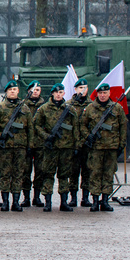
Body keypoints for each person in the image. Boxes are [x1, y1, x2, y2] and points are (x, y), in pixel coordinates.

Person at [79, 83, 127, 212]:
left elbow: (123, 127)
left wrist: (121, 144)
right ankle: (95, 201)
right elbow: (82, 125)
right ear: (97, 94)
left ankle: (105, 200)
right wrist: (87, 136)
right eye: (100, 93)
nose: (102, 95)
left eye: (105, 93)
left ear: (109, 93)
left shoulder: (116, 108)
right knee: (94, 173)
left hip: (111, 147)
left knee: (108, 174)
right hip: (95, 147)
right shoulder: (90, 108)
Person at [0, 80, 32, 212]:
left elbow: (30, 129)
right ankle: (5, 202)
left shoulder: (24, 108)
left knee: (18, 174)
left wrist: (30, 146)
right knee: (4, 174)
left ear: (18, 91)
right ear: (6, 92)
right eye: (10, 90)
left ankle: (16, 202)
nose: (13, 91)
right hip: (5, 147)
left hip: (20, 147)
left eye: (15, 89)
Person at [34, 83, 78, 212]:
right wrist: (46, 136)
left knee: (64, 175)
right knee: (48, 174)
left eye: (61, 92)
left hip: (66, 147)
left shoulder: (70, 109)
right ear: (52, 93)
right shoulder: (44, 109)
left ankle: (64, 202)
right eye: (56, 92)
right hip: (50, 147)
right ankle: (48, 202)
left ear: (64, 93)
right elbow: (36, 125)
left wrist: (76, 146)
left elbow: (76, 128)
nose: (58, 95)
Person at [67, 79, 92, 207]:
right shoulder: (69, 105)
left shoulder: (92, 105)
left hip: (87, 143)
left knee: (87, 171)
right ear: (75, 89)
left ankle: (85, 198)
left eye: (85, 87)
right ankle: (73, 198)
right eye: (80, 87)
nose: (82, 90)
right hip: (72, 144)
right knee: (73, 172)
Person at [22, 80, 46, 207]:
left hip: (40, 143)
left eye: (37, 90)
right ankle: (26, 197)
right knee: (25, 171)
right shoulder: (22, 106)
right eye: (33, 90)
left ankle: (37, 197)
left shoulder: (45, 106)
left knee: (40, 171)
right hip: (25, 143)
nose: (35, 92)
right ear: (28, 91)